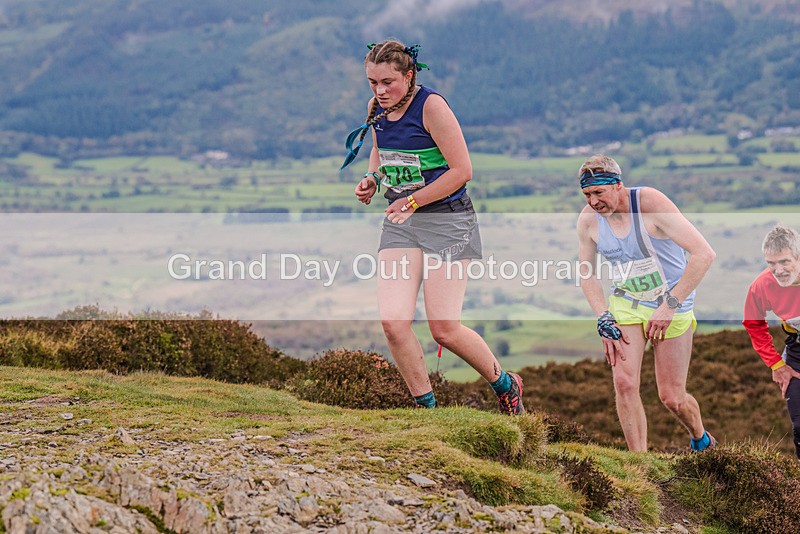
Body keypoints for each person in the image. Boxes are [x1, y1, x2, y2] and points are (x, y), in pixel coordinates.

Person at [340, 40, 524, 414]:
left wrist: (413, 201)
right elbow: (382, 151)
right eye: (372, 82)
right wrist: (373, 178)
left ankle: (506, 385)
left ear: (409, 76)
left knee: (444, 328)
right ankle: (428, 410)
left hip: (448, 221)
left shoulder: (432, 107)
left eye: (388, 82)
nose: (379, 90)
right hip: (402, 222)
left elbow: (462, 171)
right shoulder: (378, 108)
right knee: (393, 322)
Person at [575, 154, 717, 451]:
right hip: (627, 304)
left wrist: (670, 304)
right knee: (624, 384)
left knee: (672, 397)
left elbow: (704, 255)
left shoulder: (650, 204)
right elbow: (586, 272)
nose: (593, 202)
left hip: (672, 303)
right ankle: (639, 467)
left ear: (617, 186)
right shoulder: (588, 221)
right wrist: (603, 316)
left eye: (598, 193)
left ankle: (700, 438)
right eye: (587, 194)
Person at [743, 225, 800, 458]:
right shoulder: (761, 285)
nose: (778, 270)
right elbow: (754, 324)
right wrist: (776, 365)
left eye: (785, 262)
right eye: (771, 263)